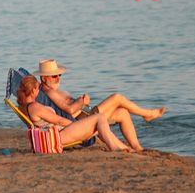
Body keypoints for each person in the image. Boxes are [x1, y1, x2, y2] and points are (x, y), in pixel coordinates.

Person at [36, 58, 166, 152]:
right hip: (82, 120)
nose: (58, 78)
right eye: (54, 76)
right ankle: (148, 114)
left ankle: (137, 147)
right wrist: (82, 102)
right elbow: (69, 110)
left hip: (85, 115)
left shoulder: (52, 90)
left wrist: (80, 102)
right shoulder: (50, 92)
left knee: (122, 113)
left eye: (59, 75)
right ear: (44, 78)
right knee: (117, 98)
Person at [16, 76, 131, 152]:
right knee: (99, 117)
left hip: (58, 134)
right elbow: (59, 120)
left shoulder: (25, 107)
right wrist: (76, 125)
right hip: (59, 136)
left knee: (99, 122)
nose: (39, 91)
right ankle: (115, 147)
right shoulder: (35, 107)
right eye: (38, 89)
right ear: (34, 90)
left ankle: (123, 147)